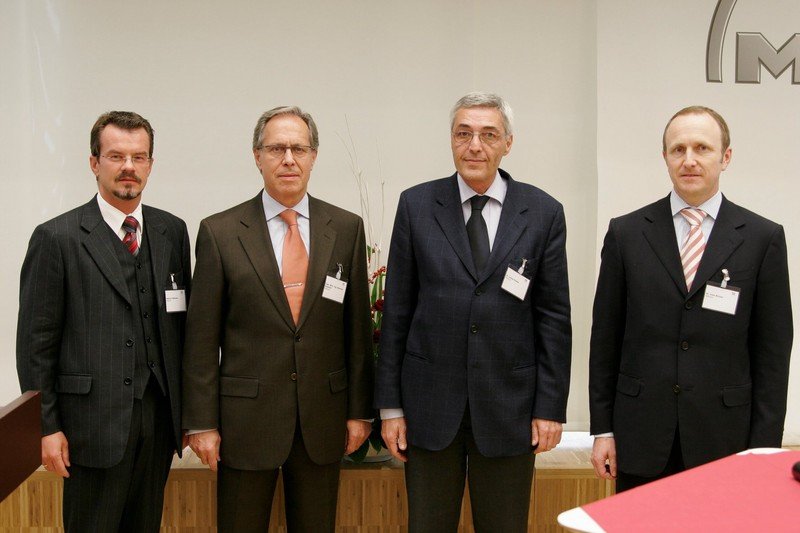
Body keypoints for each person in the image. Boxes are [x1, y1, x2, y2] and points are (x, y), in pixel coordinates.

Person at [375, 92, 572, 532]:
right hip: (428, 407)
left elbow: (554, 319)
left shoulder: (543, 212)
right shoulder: (416, 206)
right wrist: (390, 408)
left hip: (510, 408)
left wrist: (550, 407)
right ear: (451, 140)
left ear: (508, 143)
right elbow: (397, 312)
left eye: (488, 135)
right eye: (463, 134)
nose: (475, 146)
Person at [182, 106, 373, 532]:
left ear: (313, 156)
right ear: (257, 156)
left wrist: (360, 412)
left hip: (322, 420)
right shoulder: (220, 232)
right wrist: (201, 422)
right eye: (276, 149)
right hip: (244, 423)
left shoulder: (346, 228)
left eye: (299, 149)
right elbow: (200, 341)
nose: (289, 159)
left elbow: (357, 331)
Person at [589, 105, 793, 492]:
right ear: (665, 157)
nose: (689, 160)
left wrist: (764, 449)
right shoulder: (626, 234)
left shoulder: (762, 238)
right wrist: (603, 430)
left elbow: (772, 352)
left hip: (725, 440)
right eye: (678, 149)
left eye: (702, 148)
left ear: (725, 157)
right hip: (641, 436)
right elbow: (605, 340)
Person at [16, 111, 192, 531]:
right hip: (89, 427)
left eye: (138, 156)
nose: (128, 166)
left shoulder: (172, 231)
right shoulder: (57, 238)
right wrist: (47, 427)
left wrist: (187, 414)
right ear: (94, 163)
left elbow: (181, 327)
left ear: (150, 164)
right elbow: (36, 344)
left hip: (158, 421)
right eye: (116, 156)